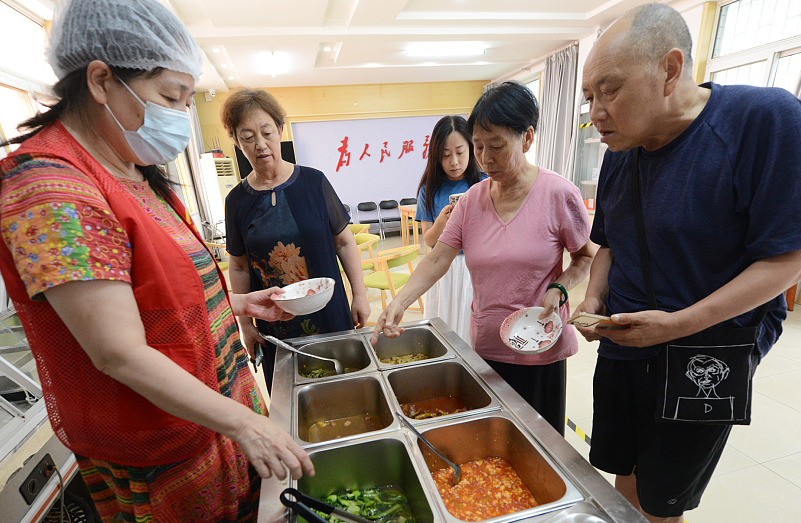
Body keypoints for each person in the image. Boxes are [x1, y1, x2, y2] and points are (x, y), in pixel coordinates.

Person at [0, 1, 314, 523]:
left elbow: (152, 299)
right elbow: (116, 350)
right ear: (100, 80)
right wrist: (243, 422)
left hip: (214, 427)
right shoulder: (49, 185)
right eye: (171, 97)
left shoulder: (131, 171)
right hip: (168, 455)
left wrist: (238, 303)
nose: (182, 116)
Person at [573, 3, 801, 523]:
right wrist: (592, 298)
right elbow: (610, 243)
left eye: (609, 91)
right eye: (589, 97)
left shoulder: (764, 121)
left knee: (663, 505)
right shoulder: (622, 149)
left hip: (707, 352)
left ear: (669, 70)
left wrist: (678, 324)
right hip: (626, 342)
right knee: (627, 485)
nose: (595, 110)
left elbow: (796, 257)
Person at [374, 82, 597, 435]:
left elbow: (586, 258)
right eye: (478, 147)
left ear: (527, 138)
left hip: (539, 346)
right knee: (495, 443)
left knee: (542, 445)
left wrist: (561, 287)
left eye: (496, 146)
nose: (485, 158)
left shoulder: (557, 193)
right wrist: (400, 301)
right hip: (488, 346)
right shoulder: (471, 201)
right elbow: (438, 259)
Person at [222, 89, 369, 390]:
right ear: (236, 142)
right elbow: (238, 266)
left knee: (346, 387)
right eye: (248, 137)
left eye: (266, 132)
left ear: (280, 129)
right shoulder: (236, 201)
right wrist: (246, 326)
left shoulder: (314, 182)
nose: (260, 144)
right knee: (292, 400)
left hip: (329, 312)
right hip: (274, 323)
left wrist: (361, 294)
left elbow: (343, 242)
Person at [415, 115, 485, 345]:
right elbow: (429, 239)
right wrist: (441, 223)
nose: (454, 161)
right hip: (442, 268)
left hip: (475, 266)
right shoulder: (429, 190)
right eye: (446, 155)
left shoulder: (485, 183)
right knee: (442, 329)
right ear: (436, 156)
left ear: (472, 148)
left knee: (472, 327)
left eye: (460, 152)